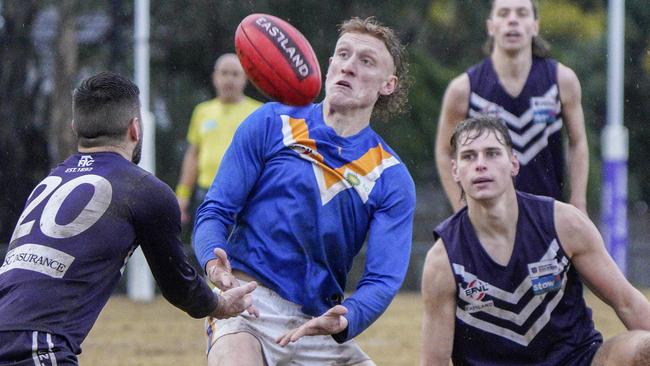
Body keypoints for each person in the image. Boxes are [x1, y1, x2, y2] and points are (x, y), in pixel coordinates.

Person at [194, 17, 415, 365]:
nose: (349, 66)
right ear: (326, 66)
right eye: (343, 54)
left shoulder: (390, 176)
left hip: (316, 322)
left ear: (388, 85)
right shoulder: (271, 122)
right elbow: (215, 211)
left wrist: (347, 317)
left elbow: (382, 278)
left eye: (366, 60)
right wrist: (213, 263)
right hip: (248, 303)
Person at [0, 72, 257, 365]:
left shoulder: (53, 178)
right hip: (34, 344)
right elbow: (180, 286)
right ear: (135, 129)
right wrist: (221, 304)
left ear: (75, 128)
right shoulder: (145, 191)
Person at [420, 116, 650, 365]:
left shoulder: (564, 223)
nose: (480, 165)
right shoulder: (443, 260)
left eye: (492, 153)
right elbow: (435, 361)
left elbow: (626, 302)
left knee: (643, 349)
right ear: (455, 170)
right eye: (469, 156)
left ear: (513, 163)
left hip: (577, 359)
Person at [435, 0, 589, 214]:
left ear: (535, 25)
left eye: (522, 13)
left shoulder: (562, 80)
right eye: (504, 13)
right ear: (491, 26)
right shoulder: (464, 89)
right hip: (487, 217)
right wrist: (461, 208)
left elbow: (578, 141)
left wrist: (578, 201)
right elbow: (444, 151)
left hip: (549, 214)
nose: (512, 20)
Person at [175, 54, 262, 225]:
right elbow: (193, 155)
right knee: (207, 247)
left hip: (246, 195)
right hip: (207, 192)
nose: (229, 79)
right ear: (215, 77)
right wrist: (182, 195)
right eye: (224, 73)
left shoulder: (259, 112)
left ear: (245, 78)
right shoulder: (202, 111)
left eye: (235, 74)